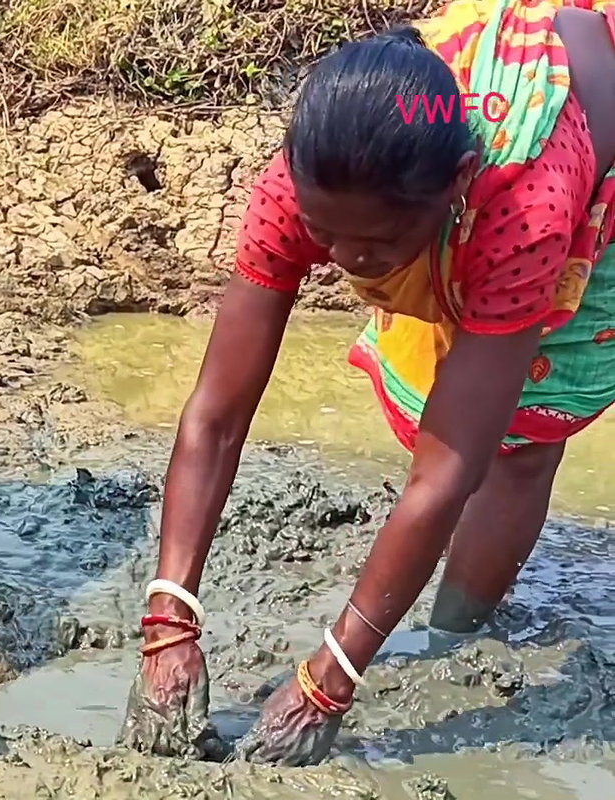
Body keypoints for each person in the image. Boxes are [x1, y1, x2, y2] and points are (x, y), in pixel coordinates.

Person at [121, 0, 615, 766]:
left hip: (585, 184)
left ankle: (454, 635)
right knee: (438, 394)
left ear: (456, 184)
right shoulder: (300, 187)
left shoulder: (526, 209)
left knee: (518, 439)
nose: (348, 260)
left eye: (377, 240)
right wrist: (167, 622)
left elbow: (447, 474)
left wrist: (331, 679)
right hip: (458, 173)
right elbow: (215, 415)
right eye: (326, 234)